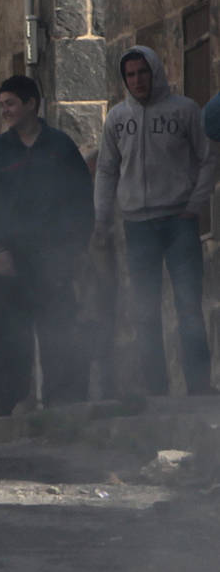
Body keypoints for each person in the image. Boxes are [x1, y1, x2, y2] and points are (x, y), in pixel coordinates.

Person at [95, 45, 217, 396]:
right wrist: (102, 219)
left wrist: (195, 203)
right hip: (137, 227)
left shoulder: (185, 111)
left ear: (155, 71)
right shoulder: (117, 119)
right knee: (145, 312)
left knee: (188, 306)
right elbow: (106, 170)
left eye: (142, 72)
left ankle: (199, 387)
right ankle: (156, 392)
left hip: (179, 221)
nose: (137, 81)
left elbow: (208, 158)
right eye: (130, 75)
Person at [0, 75, 94, 412]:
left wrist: (75, 249)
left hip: (54, 257)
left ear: (31, 104)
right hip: (10, 260)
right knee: (10, 333)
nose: (5, 111)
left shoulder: (60, 147)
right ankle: (10, 397)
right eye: (2, 105)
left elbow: (81, 200)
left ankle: (61, 399)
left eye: (10, 103)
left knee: (58, 327)